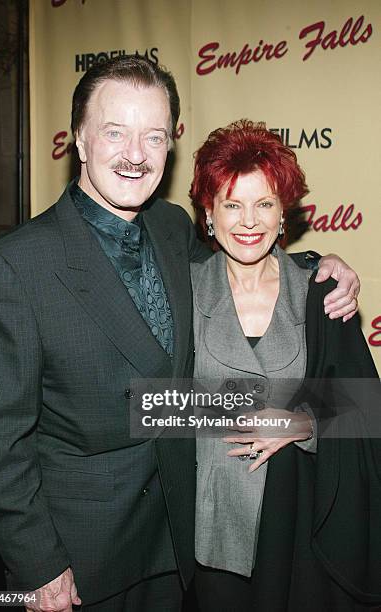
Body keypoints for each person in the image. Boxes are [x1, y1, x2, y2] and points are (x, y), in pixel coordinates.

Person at [0, 57, 360, 612]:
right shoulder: (14, 267)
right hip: (82, 561)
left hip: (181, 545)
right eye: (115, 133)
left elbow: (242, 268)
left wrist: (322, 264)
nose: (135, 154)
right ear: (78, 139)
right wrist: (36, 564)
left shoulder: (170, 227)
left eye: (153, 136)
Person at [189, 119, 381, 612]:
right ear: (208, 214)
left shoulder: (320, 292)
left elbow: (368, 404)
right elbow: (146, 404)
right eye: (232, 204)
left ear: (283, 215)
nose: (248, 220)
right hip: (208, 532)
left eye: (264, 204)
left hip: (297, 522)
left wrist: (301, 421)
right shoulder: (180, 290)